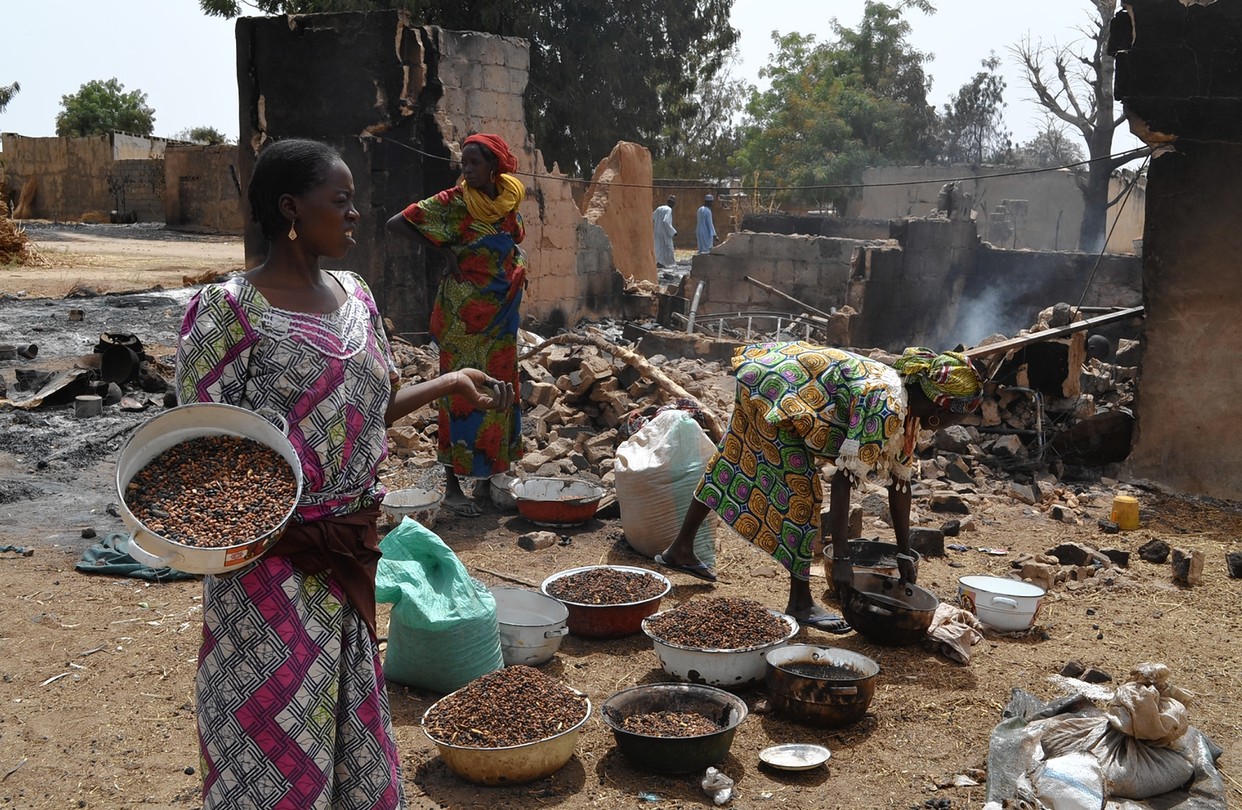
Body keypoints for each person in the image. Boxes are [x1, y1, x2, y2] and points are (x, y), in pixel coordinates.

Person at [175, 138, 514, 809]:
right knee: (274, 745)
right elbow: (194, 447)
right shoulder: (229, 310)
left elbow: (374, 406)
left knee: (349, 739)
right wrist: (254, 521)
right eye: (341, 201)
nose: (356, 214)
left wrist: (448, 382)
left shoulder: (355, 296)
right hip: (269, 566)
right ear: (290, 209)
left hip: (349, 554)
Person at [654, 341, 983, 633]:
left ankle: (680, 549)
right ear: (943, 409)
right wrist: (841, 559)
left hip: (772, 373)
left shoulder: (908, 412)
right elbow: (842, 481)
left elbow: (900, 484)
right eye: (959, 418)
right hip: (778, 388)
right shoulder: (887, 406)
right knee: (803, 495)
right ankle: (800, 603)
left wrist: (903, 552)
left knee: (731, 459)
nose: (956, 425)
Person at [387, 133, 526, 517]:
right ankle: (451, 487)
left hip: (501, 316)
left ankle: (487, 481)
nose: (466, 169)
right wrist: (444, 250)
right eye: (463, 162)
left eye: (475, 162)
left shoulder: (507, 200)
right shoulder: (454, 202)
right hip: (464, 320)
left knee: (500, 391)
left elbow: (514, 240)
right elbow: (397, 222)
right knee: (460, 397)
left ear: (494, 166)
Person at [653, 194, 677, 267]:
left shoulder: (659, 208)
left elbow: (652, 217)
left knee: (659, 247)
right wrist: (673, 232)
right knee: (669, 247)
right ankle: (671, 263)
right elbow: (666, 221)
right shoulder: (669, 209)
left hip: (657, 230)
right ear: (672, 203)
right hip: (665, 232)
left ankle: (659, 262)